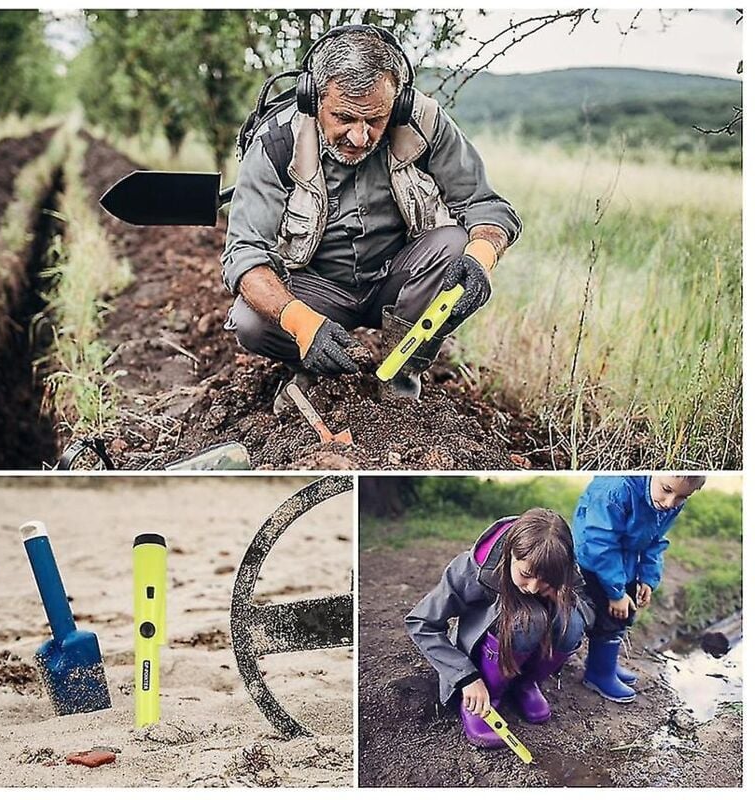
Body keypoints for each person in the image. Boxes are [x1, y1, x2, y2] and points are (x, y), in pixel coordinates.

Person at [221, 25, 522, 409]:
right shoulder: (275, 142)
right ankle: (314, 369)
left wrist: (482, 257)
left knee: (456, 244)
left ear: (396, 104)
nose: (360, 137)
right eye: (344, 117)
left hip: (396, 280)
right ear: (314, 100)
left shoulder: (423, 123)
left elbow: (486, 205)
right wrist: (302, 324)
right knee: (251, 319)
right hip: (316, 289)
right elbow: (246, 257)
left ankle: (401, 374)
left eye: (375, 120)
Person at [405, 508, 594, 748]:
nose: (534, 588)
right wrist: (467, 678)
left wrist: (564, 596)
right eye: (526, 574)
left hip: (530, 648)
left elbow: (589, 611)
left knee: (572, 622)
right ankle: (488, 697)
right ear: (511, 553)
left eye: (545, 579)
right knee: (528, 622)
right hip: (489, 651)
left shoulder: (558, 563)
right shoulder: (473, 569)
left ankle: (525, 683)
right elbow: (421, 622)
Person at [572, 474, 706, 703]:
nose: (670, 502)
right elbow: (602, 543)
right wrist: (615, 593)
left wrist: (647, 577)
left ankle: (606, 663)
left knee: (626, 613)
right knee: (609, 615)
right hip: (594, 560)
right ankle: (598, 674)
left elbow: (655, 541)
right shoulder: (616, 491)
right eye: (667, 489)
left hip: (626, 559)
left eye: (683, 497)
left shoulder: (668, 502)